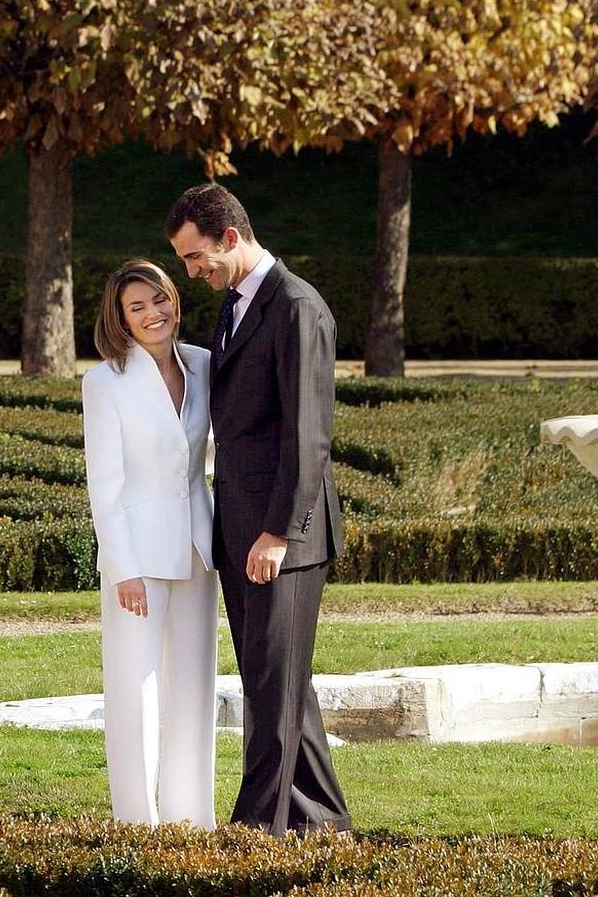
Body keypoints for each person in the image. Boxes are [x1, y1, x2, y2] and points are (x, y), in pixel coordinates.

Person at [165, 183, 351, 836]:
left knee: (271, 693)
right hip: (242, 529)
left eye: (195, 258)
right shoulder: (235, 306)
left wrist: (277, 532)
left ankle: (253, 837)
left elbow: (309, 436)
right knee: (282, 688)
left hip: (283, 536)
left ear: (231, 238)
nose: (193, 273)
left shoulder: (297, 308)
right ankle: (323, 825)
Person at [81, 258, 218, 829]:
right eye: (136, 308)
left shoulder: (205, 364)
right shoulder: (104, 381)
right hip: (135, 554)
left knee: (193, 686)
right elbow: (104, 486)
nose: (152, 313)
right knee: (134, 689)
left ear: (174, 302)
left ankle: (191, 821)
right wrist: (122, 568)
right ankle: (138, 822)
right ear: (121, 320)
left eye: (158, 300)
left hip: (198, 548)